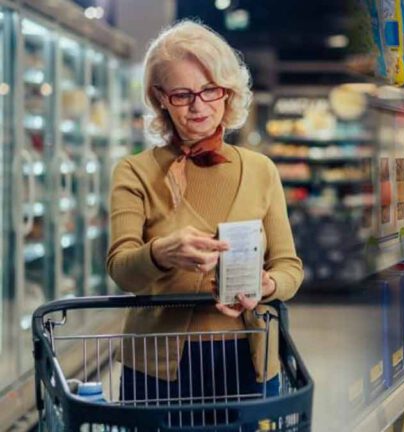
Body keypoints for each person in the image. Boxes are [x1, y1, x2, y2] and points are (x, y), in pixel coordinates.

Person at [107, 20, 303, 408]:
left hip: (249, 361)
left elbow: (289, 268)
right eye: (182, 94)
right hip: (158, 368)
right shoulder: (135, 171)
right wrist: (161, 253)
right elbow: (121, 269)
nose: (199, 106)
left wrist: (267, 286)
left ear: (228, 92)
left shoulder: (260, 169)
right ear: (160, 97)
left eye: (210, 90)